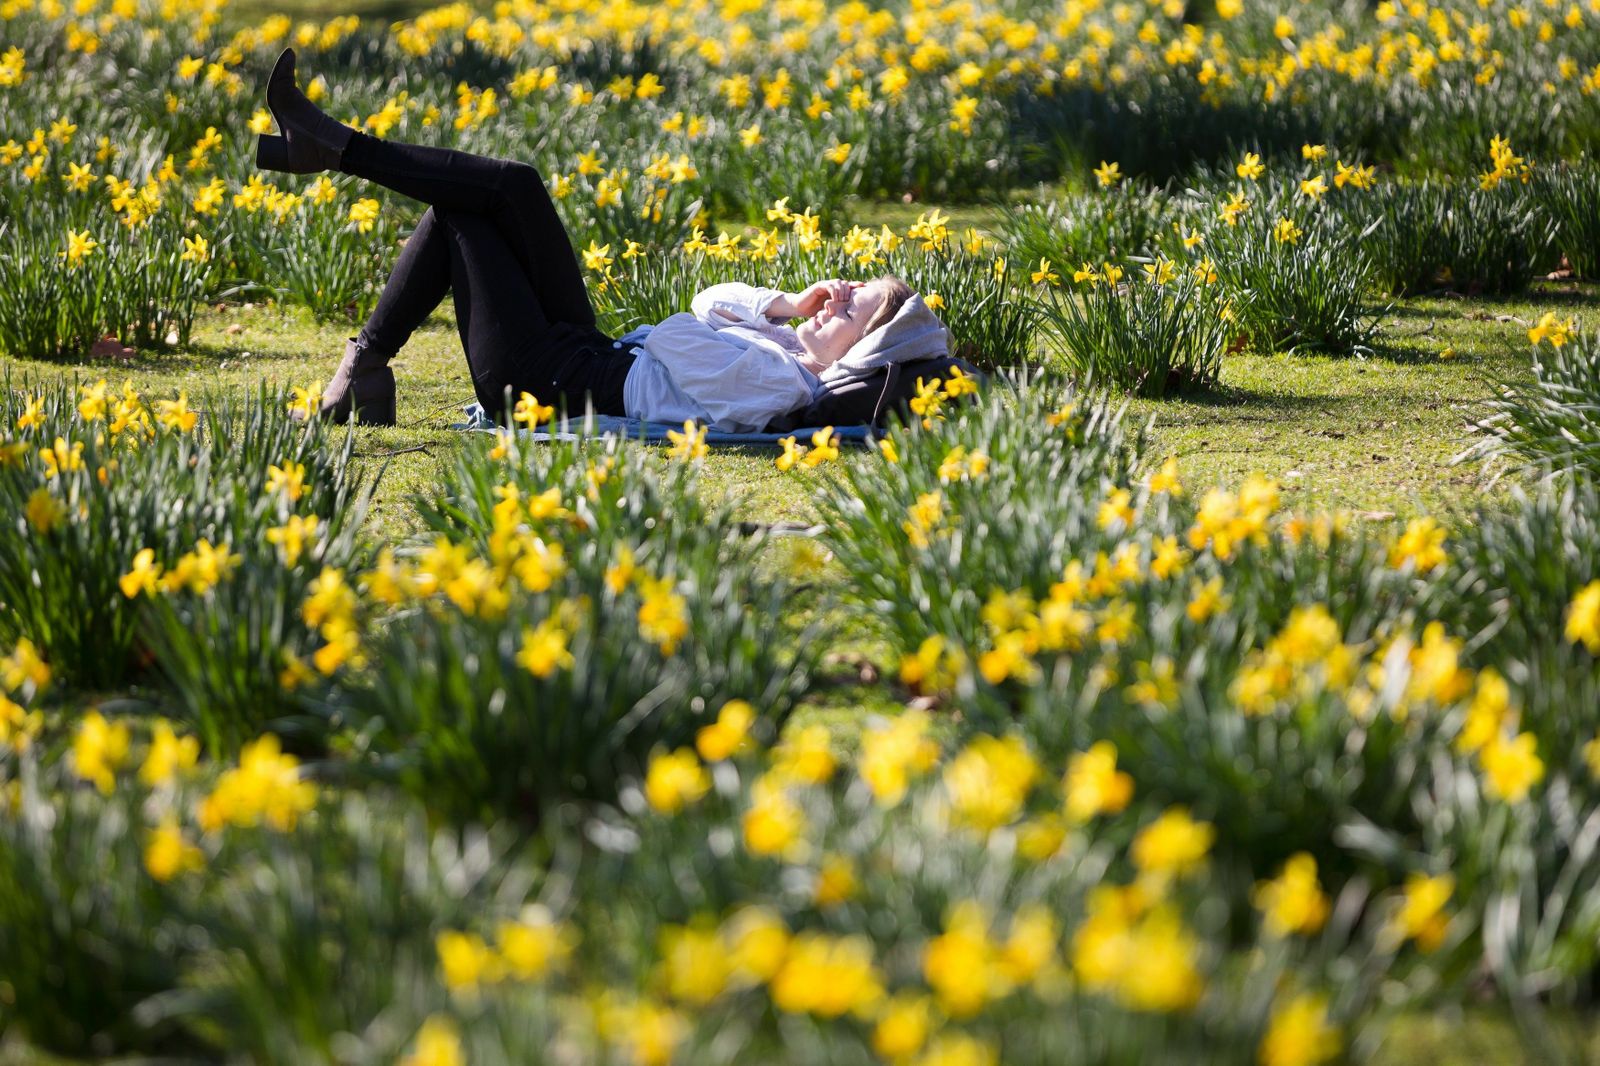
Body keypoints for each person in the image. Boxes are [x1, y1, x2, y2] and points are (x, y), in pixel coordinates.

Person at [254, 48, 955, 430]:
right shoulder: (784, 346)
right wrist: (784, 308)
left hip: (547, 387)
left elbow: (683, 331)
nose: (835, 299)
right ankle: (334, 152)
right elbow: (710, 299)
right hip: (587, 356)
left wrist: (778, 339)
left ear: (863, 351)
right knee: (514, 185)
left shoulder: (781, 381)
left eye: (850, 309)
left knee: (459, 214)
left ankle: (331, 161)